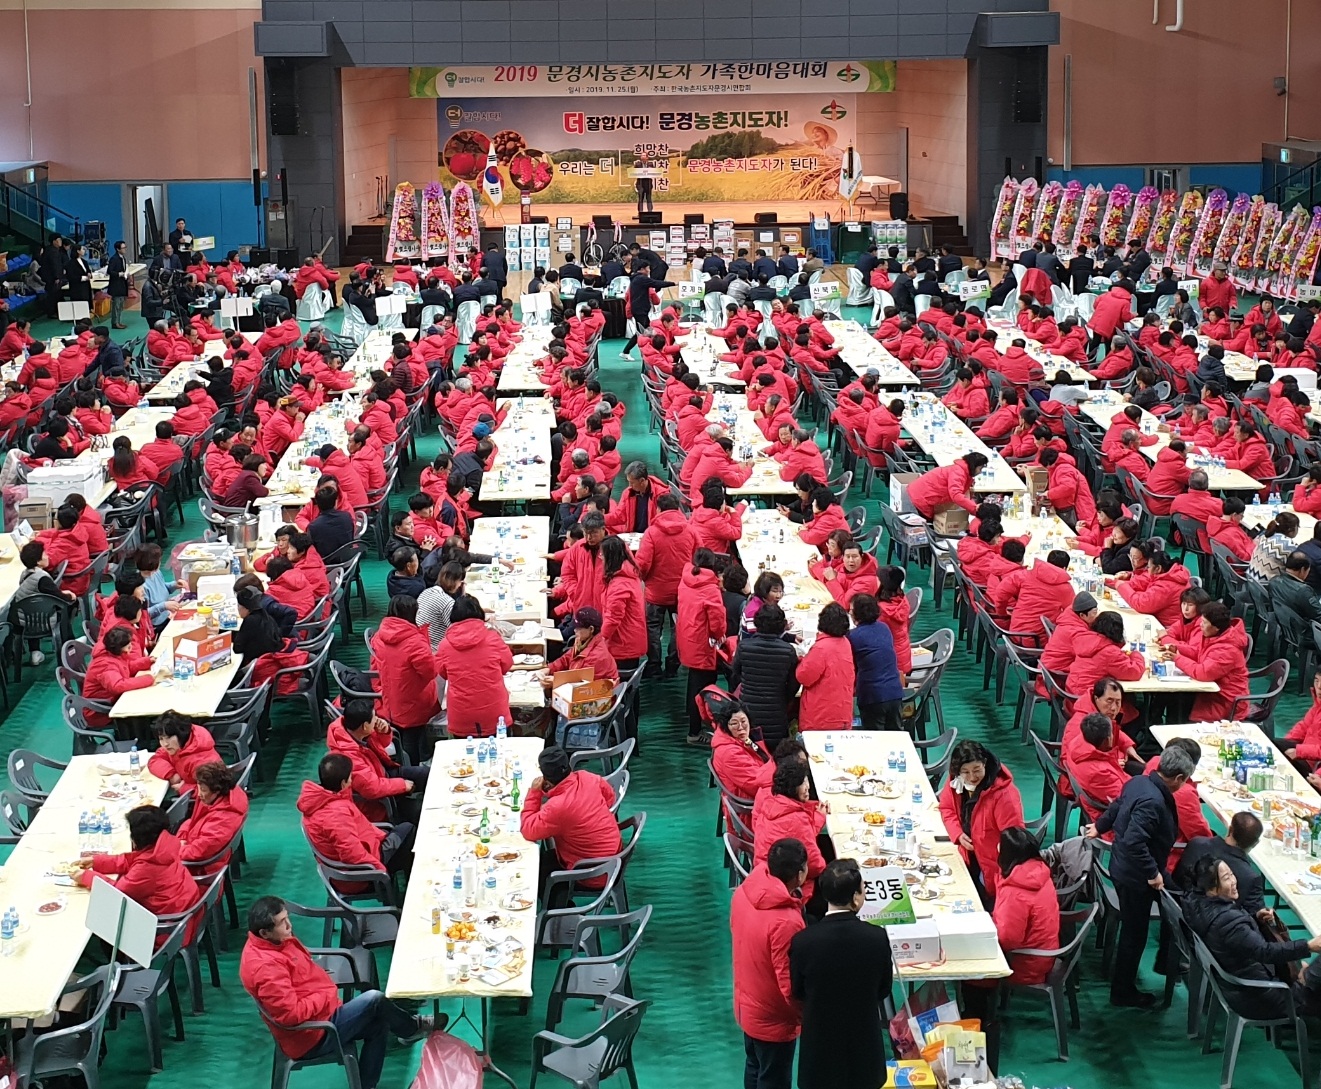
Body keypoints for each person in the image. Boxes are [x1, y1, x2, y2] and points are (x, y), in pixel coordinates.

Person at [240, 896, 440, 1089]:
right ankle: (412, 1028)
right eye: (282, 922)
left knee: (379, 1022)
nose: (289, 925)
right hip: (313, 1034)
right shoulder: (266, 969)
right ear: (264, 932)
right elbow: (291, 1015)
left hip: (322, 1014)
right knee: (375, 999)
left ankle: (368, 1084)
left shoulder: (270, 943)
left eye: (287, 918)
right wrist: (323, 995)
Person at [1087, 744, 1196, 1007]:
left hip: (1131, 866)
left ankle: (1168, 959)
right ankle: (1122, 991)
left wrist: (1100, 826)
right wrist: (1152, 873)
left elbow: (1117, 806)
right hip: (1137, 875)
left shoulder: (1138, 782)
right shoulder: (1153, 801)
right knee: (1134, 935)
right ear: (1179, 778)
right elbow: (1135, 842)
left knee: (1179, 901)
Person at [789, 858, 893, 1089]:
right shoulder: (877, 938)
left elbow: (798, 990)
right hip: (863, 1043)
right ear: (856, 897)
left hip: (820, 1046)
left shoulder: (803, 941)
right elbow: (884, 989)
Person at [1183, 855, 1321, 1021]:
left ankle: (1305, 976)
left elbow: (1235, 938)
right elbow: (1265, 952)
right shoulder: (1228, 921)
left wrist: (1254, 919)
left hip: (1237, 987)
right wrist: (1308, 946)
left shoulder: (1197, 903)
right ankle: (1306, 978)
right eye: (1226, 878)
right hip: (1264, 996)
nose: (1234, 881)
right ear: (1212, 890)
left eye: (1231, 874)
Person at [730, 837, 808, 1089]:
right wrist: (804, 1015)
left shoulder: (744, 893)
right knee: (774, 1078)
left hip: (747, 1003)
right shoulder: (786, 922)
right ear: (799, 874)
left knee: (754, 1067)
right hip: (774, 1017)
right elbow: (788, 981)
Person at [73, 804, 204, 945]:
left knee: (105, 920)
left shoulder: (148, 868)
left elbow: (116, 894)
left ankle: (121, 957)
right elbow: (133, 860)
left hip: (167, 931)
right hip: (182, 917)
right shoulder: (164, 847)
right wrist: (96, 861)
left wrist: (87, 877)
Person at [519, 745, 621, 886]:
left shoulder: (557, 807)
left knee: (533, 872)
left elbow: (528, 830)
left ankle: (558, 899)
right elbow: (610, 797)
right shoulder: (588, 777)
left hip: (593, 872)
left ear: (546, 779)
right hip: (614, 857)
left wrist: (534, 793)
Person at [298, 753, 413, 876]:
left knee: (400, 831)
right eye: (350, 777)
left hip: (367, 848)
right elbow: (352, 855)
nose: (352, 780)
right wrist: (380, 870)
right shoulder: (336, 815)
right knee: (409, 829)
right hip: (364, 869)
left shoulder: (319, 801)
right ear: (343, 783)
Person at [938, 740, 1024, 901]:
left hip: (994, 867)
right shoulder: (956, 782)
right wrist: (957, 834)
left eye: (976, 770)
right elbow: (947, 808)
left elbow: (1014, 840)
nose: (972, 777)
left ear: (985, 763)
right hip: (967, 857)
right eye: (965, 772)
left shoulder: (1004, 795)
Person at [327, 699, 429, 824]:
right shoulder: (349, 757)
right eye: (374, 717)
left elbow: (383, 745)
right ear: (365, 726)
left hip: (383, 773)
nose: (377, 720)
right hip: (378, 804)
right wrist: (402, 785)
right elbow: (372, 788)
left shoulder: (357, 732)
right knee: (424, 812)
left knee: (429, 774)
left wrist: (385, 731)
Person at [369, 595, 442, 762]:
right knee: (414, 742)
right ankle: (414, 770)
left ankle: (408, 767)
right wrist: (438, 657)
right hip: (415, 701)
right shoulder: (415, 642)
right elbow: (430, 672)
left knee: (402, 740)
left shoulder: (379, 636)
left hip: (391, 699)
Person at [435, 593, 513, 740]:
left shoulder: (445, 645)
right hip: (494, 709)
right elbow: (507, 664)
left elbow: (442, 672)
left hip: (461, 712)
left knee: (465, 753)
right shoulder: (492, 638)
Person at [731, 603, 801, 750]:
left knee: (748, 751)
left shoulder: (744, 647)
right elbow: (794, 684)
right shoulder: (788, 651)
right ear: (782, 626)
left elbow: (736, 672)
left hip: (748, 712)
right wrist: (784, 698)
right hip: (776, 712)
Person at [1174, 811, 1269, 918]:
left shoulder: (1196, 843)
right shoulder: (1251, 878)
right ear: (1255, 843)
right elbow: (1256, 916)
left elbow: (1176, 878)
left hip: (1175, 909)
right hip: (1211, 923)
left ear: (1230, 829)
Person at [677, 549, 728, 745]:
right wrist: (719, 637)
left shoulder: (686, 580)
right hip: (702, 643)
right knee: (702, 687)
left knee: (694, 681)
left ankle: (692, 718)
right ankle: (695, 731)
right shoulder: (710, 589)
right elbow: (717, 623)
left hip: (687, 636)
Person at [175, 760, 249, 872]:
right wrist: (181, 838)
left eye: (203, 790)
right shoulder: (217, 798)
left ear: (217, 791)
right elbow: (193, 820)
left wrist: (175, 849)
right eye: (198, 788)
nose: (199, 794)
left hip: (201, 868)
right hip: (191, 847)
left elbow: (199, 851)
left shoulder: (223, 821)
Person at [795, 602, 856, 731]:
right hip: (842, 712)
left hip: (821, 716)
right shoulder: (845, 643)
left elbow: (803, 676)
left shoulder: (822, 648)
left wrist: (801, 660)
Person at [846, 594, 903, 730]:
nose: (849, 612)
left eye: (851, 610)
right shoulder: (884, 628)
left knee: (875, 739)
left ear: (857, 613)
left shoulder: (853, 637)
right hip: (895, 692)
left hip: (873, 696)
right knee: (895, 737)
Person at [709, 698, 775, 800]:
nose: (740, 727)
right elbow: (755, 785)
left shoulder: (741, 740)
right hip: (753, 802)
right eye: (734, 723)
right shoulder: (730, 753)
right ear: (726, 726)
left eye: (743, 721)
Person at [148, 711, 219, 795]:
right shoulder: (177, 745)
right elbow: (155, 759)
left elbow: (213, 791)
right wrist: (171, 774)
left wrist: (184, 788)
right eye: (161, 738)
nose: (165, 744)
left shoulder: (202, 762)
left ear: (181, 734)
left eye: (169, 737)